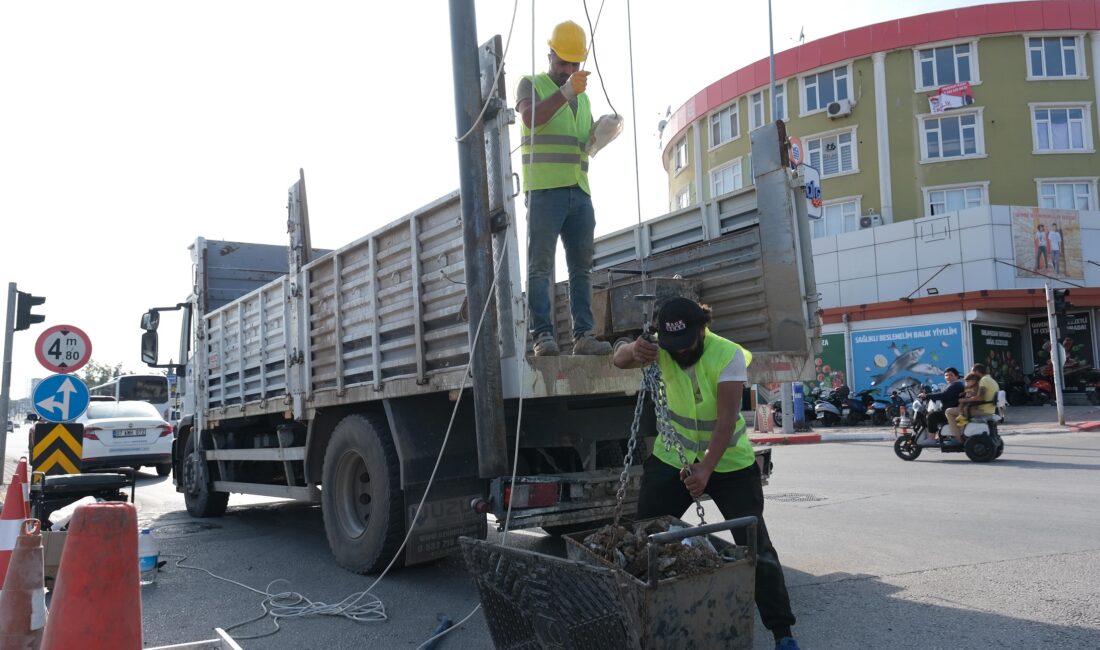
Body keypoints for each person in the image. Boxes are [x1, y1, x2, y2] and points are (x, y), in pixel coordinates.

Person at [612, 297, 800, 650]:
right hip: (673, 459)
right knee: (644, 538)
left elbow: (728, 419)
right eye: (673, 347)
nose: (680, 353)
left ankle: (783, 633)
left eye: (687, 345)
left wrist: (706, 470)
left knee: (755, 545)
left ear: (702, 329)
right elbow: (618, 357)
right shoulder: (660, 347)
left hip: (729, 462)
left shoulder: (726, 354)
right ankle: (634, 625)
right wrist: (631, 350)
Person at [515, 21, 611, 357]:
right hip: (544, 191)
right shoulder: (532, 84)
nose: (568, 70)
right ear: (550, 55)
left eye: (574, 64)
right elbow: (530, 118)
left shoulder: (582, 100)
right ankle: (543, 336)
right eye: (562, 63)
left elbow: (583, 144)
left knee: (581, 267)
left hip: (579, 191)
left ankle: (583, 335)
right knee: (540, 266)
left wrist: (601, 133)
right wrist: (567, 91)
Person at [945, 363, 1000, 445]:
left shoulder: (984, 380)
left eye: (972, 371)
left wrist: (963, 401)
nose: (971, 374)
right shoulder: (992, 380)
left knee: (948, 411)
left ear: (977, 371)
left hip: (981, 410)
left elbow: (979, 397)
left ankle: (958, 439)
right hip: (989, 409)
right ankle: (962, 433)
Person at [922, 367, 964, 442]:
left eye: (951, 375)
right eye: (946, 375)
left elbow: (944, 395)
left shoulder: (956, 385)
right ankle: (940, 436)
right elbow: (943, 394)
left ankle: (931, 439)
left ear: (956, 376)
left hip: (952, 412)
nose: (948, 377)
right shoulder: (952, 385)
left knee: (931, 416)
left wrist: (927, 396)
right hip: (948, 410)